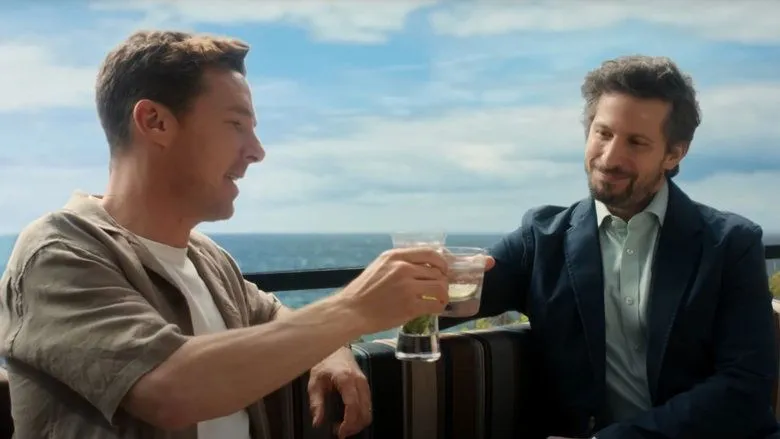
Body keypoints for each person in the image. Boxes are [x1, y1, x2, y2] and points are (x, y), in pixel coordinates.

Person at [0, 30, 492, 439]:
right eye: (236, 124)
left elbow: (274, 314)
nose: (257, 151)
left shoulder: (206, 258)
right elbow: (171, 389)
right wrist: (355, 310)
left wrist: (332, 349)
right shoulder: (58, 251)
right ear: (155, 122)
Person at [446, 56, 779, 439]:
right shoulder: (541, 239)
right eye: (603, 133)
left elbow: (744, 387)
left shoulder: (731, 245)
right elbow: (443, 298)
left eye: (636, 142)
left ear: (674, 153)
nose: (610, 158)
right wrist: (378, 305)